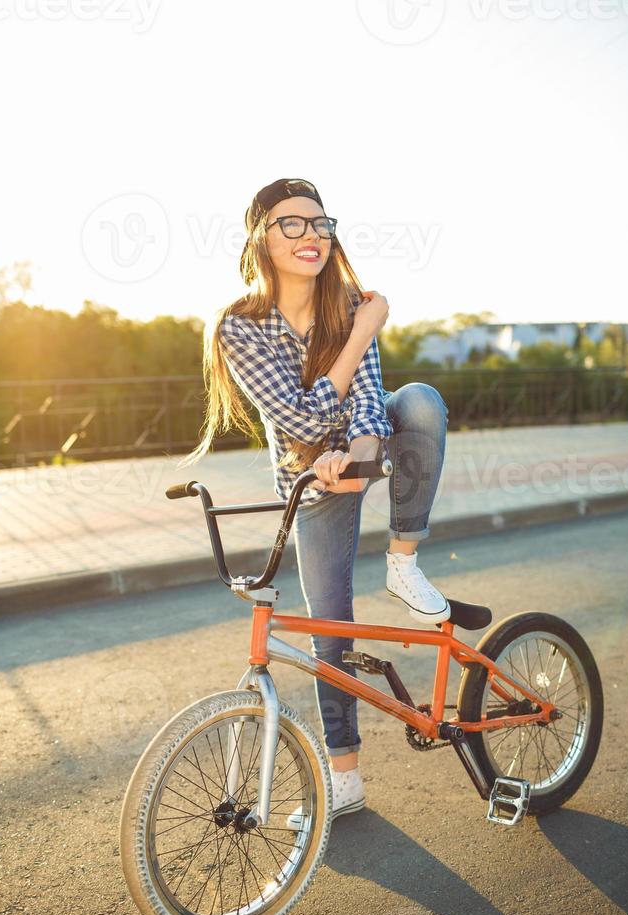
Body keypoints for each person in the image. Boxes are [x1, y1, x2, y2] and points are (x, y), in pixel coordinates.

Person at [178, 177, 449, 824]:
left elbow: (366, 396)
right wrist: (360, 335)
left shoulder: (350, 301)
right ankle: (345, 778)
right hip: (307, 478)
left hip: (356, 451)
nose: (310, 236)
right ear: (260, 239)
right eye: (291, 225)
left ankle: (404, 560)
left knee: (420, 401)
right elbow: (298, 421)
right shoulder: (240, 328)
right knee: (331, 627)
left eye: (320, 223)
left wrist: (357, 452)